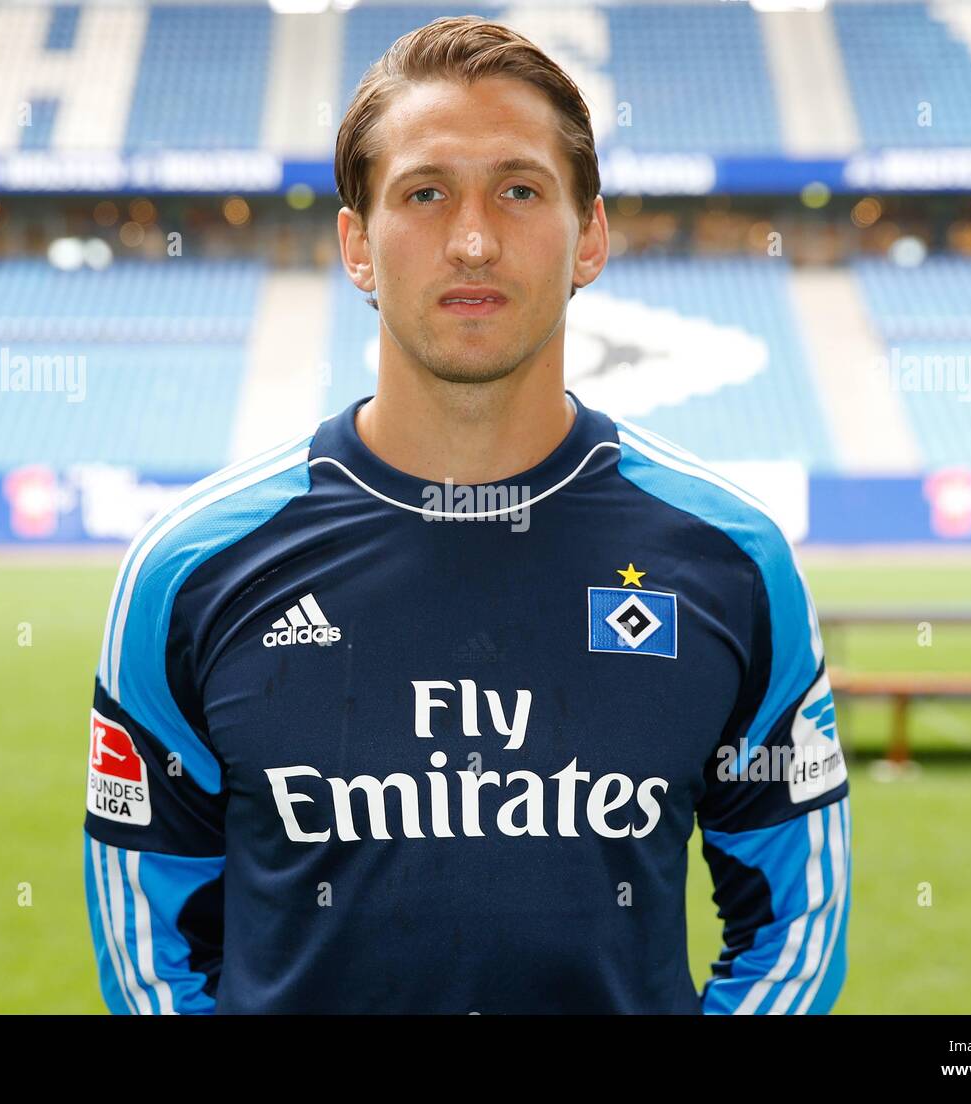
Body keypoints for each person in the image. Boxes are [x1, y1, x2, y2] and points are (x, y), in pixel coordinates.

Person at [83, 15, 850, 1014]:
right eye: (425, 193)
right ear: (357, 245)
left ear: (591, 238)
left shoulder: (729, 559)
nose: (475, 239)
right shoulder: (189, 569)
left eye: (520, 190)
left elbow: (796, 925)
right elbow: (150, 951)